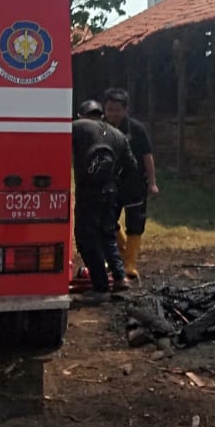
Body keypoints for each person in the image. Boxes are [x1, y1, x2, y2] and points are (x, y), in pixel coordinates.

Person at [71, 100, 135, 299]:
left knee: (85, 237)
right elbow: (131, 166)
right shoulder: (118, 134)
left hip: (87, 192)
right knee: (107, 234)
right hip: (110, 191)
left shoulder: (77, 127)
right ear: (101, 115)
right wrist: (114, 180)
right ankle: (120, 277)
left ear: (81, 115)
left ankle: (100, 287)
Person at [101, 87, 158, 281]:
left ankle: (129, 264)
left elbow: (147, 157)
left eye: (117, 109)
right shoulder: (100, 128)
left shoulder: (137, 129)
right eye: (109, 109)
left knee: (135, 224)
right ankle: (121, 255)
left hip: (134, 184)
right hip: (110, 184)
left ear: (125, 110)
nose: (113, 113)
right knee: (107, 221)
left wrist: (152, 183)